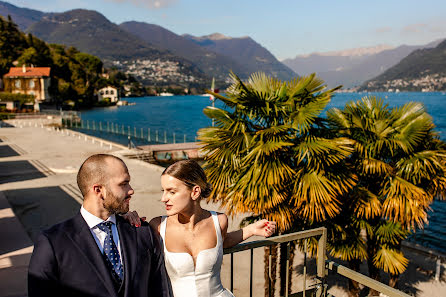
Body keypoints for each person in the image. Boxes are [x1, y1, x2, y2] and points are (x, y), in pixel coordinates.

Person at [124, 159, 276, 297]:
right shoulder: (157, 226)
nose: (164, 198)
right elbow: (130, 255)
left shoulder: (219, 221)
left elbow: (222, 242)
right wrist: (124, 220)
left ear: (195, 192)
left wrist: (251, 230)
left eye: (171, 191)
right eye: (163, 191)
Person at [28, 154, 173, 297]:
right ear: (98, 190)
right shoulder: (52, 242)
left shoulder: (142, 232)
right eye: (123, 184)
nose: (131, 190)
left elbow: (159, 289)